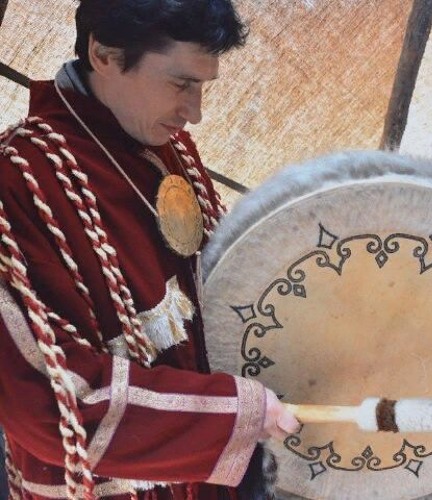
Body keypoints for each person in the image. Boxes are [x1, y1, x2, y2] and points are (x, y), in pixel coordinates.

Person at [0, 1, 299, 498]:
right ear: (104, 55)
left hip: (205, 481)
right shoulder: (17, 182)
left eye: (203, 87)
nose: (195, 113)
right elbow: (48, 406)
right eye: (181, 84)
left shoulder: (168, 149)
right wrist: (229, 416)